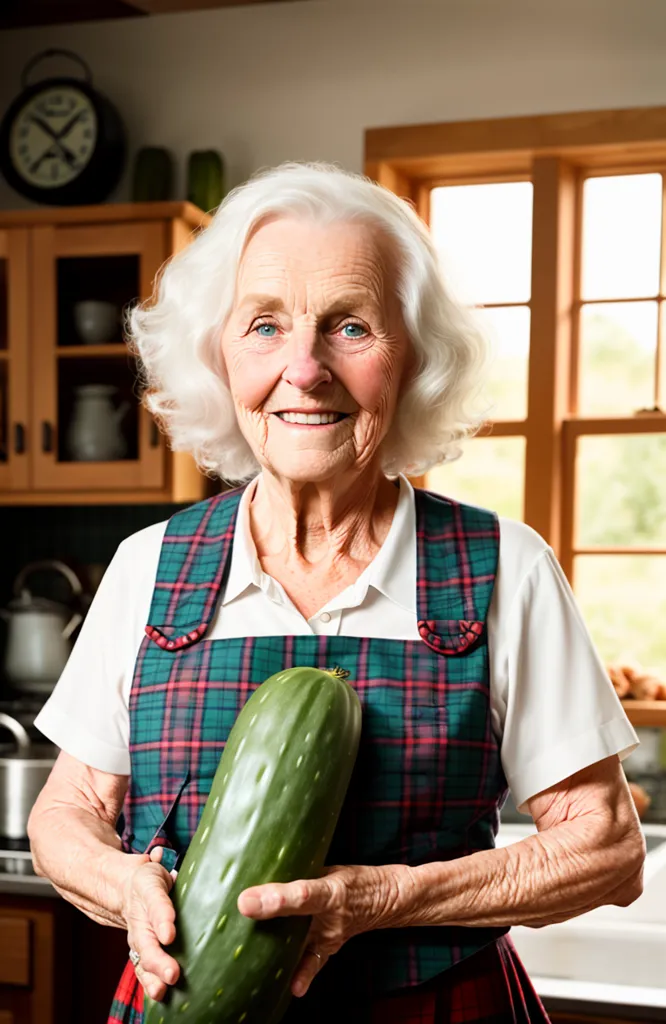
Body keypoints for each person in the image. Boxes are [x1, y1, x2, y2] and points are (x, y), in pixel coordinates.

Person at [28, 162, 644, 1024]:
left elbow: (607, 849)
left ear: (415, 358)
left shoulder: (508, 567)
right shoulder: (149, 566)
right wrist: (123, 882)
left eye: (351, 327)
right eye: (265, 327)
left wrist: (389, 898)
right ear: (218, 356)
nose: (305, 369)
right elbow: (68, 812)